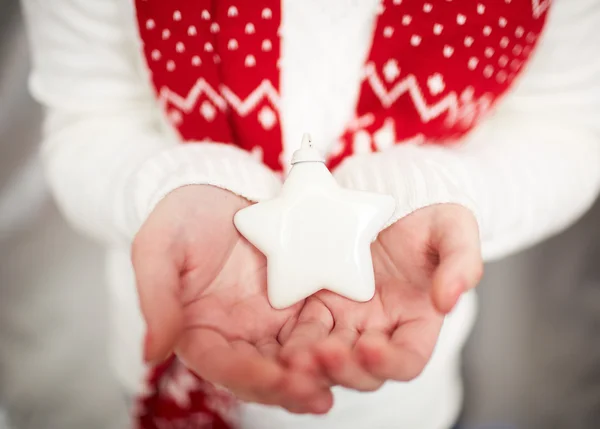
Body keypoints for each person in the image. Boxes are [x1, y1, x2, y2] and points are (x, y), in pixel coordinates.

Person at [20, 0, 600, 428]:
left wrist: (432, 189)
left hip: (397, 396)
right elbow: (89, 117)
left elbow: (568, 130)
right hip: (181, 350)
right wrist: (179, 187)